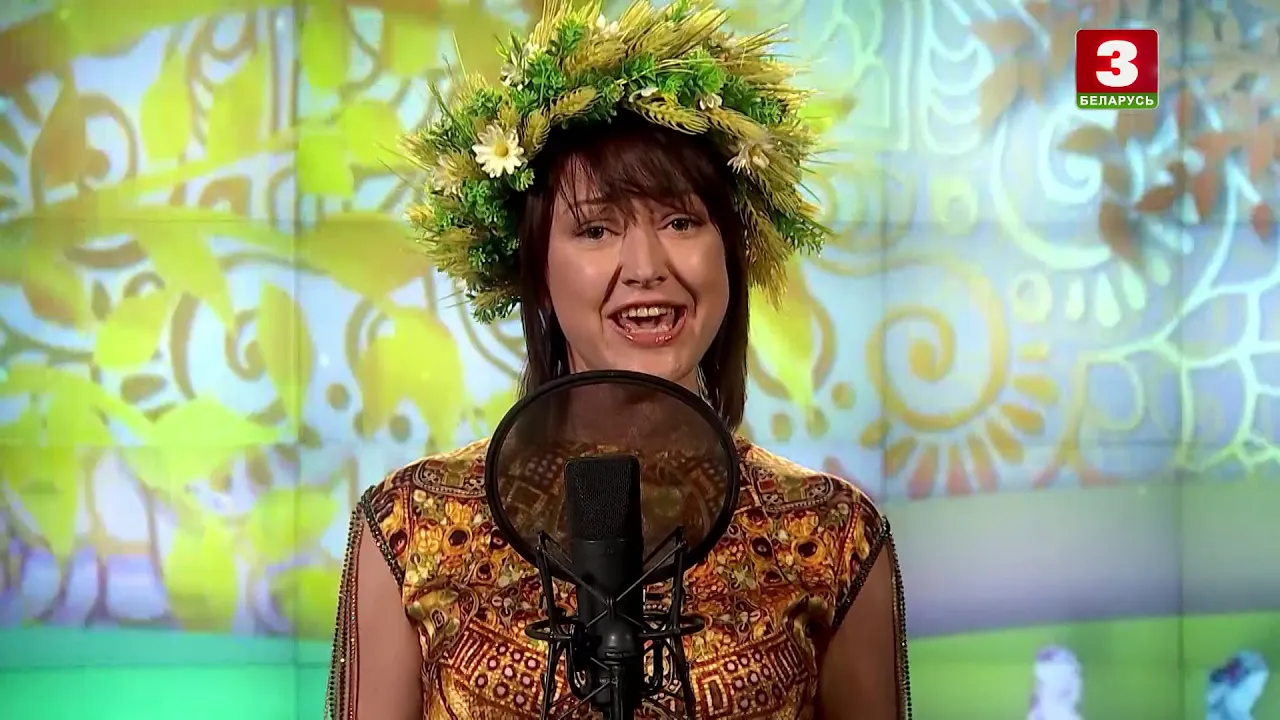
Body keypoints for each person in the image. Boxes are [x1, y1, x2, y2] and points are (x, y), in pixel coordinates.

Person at [325, 1, 911, 717]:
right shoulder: (411, 525)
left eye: (680, 221)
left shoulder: (830, 535)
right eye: (597, 229)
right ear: (538, 270)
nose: (645, 266)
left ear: (730, 254)